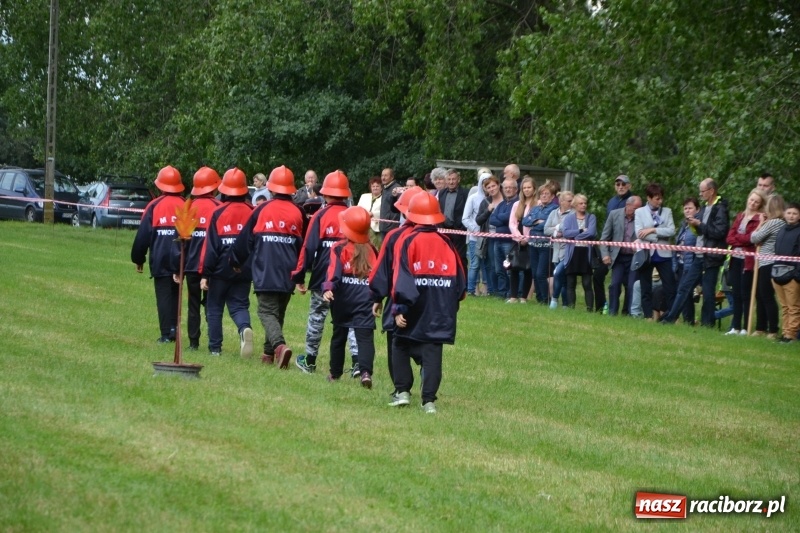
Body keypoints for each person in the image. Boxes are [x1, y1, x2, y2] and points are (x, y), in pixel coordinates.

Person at [389, 192, 466, 413]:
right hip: (441, 310)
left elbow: (401, 279)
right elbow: (460, 284)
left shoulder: (408, 240)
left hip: (413, 309)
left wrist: (399, 308)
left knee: (400, 343)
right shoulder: (447, 243)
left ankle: (402, 391)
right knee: (433, 352)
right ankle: (429, 401)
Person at [232, 165, 304, 368]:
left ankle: (280, 347)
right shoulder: (298, 212)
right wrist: (300, 275)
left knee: (266, 312)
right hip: (289, 271)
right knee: (277, 313)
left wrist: (236, 261)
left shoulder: (261, 209)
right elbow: (303, 246)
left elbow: (246, 239)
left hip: (266, 269)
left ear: (271, 188)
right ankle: (267, 355)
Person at [293, 170, 360, 374]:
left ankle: (310, 360)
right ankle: (358, 362)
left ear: (326, 194)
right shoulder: (354, 215)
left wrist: (299, 276)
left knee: (317, 317)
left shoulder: (320, 216)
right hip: (349, 278)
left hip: (323, 277)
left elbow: (309, 247)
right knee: (350, 319)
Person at [369, 186, 426, 396]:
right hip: (426, 300)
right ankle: (427, 372)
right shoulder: (434, 237)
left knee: (396, 341)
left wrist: (377, 296)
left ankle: (401, 388)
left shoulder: (394, 236)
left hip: (398, 297)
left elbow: (382, 269)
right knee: (422, 342)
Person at [199, 168, 254, 357]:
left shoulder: (218, 213)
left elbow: (211, 247)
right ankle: (244, 328)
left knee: (214, 307)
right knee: (239, 305)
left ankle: (215, 349)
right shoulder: (252, 212)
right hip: (245, 268)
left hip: (220, 269)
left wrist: (205, 274)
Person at [321, 206, 379, 386]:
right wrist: (378, 298)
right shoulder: (372, 249)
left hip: (342, 301)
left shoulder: (339, 248)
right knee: (365, 338)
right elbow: (377, 277)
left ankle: (335, 373)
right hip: (365, 301)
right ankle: (365, 373)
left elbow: (333, 272)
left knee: (339, 336)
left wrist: (328, 288)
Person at [661, 178, 730, 327]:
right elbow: (701, 232)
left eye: (702, 191)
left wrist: (700, 224)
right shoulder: (704, 208)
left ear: (711, 191)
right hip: (698, 256)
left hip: (712, 256)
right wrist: (694, 225)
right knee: (684, 287)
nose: (700, 194)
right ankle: (670, 318)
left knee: (708, 292)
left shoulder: (721, 208)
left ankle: (707, 324)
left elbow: (719, 232)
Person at [131, 165, 186, 343]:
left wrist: (139, 259)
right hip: (181, 259)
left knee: (163, 296)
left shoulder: (153, 206)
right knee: (176, 295)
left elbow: (142, 236)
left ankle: (165, 334)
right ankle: (174, 329)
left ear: (160, 185)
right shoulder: (186, 205)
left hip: (160, 258)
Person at [172, 167, 221, 350]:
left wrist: (178, 268)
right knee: (212, 305)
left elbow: (179, 242)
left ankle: (193, 343)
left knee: (193, 306)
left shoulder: (188, 207)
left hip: (191, 266)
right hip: (212, 267)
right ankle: (213, 343)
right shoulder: (218, 208)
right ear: (214, 187)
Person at [724, 188, 767, 335]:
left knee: (745, 294)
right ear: (748, 199)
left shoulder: (759, 219)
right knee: (735, 293)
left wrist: (740, 239)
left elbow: (753, 238)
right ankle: (735, 327)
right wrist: (742, 240)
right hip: (735, 258)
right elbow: (729, 237)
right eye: (751, 199)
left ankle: (745, 327)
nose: (753, 203)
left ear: (760, 204)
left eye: (757, 201)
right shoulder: (740, 216)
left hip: (748, 260)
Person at [634, 183, 676, 320]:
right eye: (657, 199)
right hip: (646, 254)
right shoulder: (639, 212)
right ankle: (648, 317)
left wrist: (652, 230)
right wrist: (659, 235)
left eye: (661, 198)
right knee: (645, 286)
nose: (660, 201)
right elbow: (639, 233)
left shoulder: (667, 211)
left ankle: (671, 317)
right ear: (649, 198)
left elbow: (671, 231)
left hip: (664, 255)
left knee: (669, 287)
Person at [599, 195, 642, 316]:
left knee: (631, 285)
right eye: (636, 208)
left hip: (634, 257)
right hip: (617, 257)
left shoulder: (640, 217)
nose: (638, 211)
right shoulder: (614, 214)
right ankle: (612, 312)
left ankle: (628, 312)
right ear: (628, 205)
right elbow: (604, 238)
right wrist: (605, 254)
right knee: (615, 284)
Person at [750, 194, 786, 338]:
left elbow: (754, 238)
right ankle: (761, 327)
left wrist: (760, 223)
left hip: (767, 262)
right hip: (766, 261)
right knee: (761, 295)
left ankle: (772, 329)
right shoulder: (782, 223)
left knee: (766, 296)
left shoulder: (773, 223)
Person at [523, 184, 557, 304]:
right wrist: (536, 221)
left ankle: (545, 299)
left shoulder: (554, 209)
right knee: (534, 273)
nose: (543, 196)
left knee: (541, 273)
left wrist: (536, 223)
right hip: (533, 244)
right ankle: (539, 299)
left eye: (546, 194)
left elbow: (548, 225)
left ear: (552, 196)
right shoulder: (535, 208)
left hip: (546, 245)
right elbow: (525, 221)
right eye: (542, 194)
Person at [771, 202, 800, 343]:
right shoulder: (781, 230)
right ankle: (785, 332)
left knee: (793, 307)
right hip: (777, 273)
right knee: (784, 307)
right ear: (784, 214)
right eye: (789, 213)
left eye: (795, 213)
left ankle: (791, 334)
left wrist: (796, 275)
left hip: (792, 275)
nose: (791, 216)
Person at [561, 194, 596, 310]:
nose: (584, 205)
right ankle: (571, 308)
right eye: (581, 203)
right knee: (571, 283)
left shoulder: (591, 217)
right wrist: (580, 231)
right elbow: (566, 233)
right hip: (572, 254)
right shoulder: (569, 218)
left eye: (585, 203)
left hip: (586, 253)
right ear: (575, 205)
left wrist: (575, 237)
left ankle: (590, 308)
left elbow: (591, 233)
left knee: (587, 283)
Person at [462, 171, 492, 296]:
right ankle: (471, 289)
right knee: (474, 264)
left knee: (487, 265)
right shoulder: (473, 198)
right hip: (475, 238)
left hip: (490, 237)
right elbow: (465, 218)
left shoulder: (494, 199)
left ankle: (487, 289)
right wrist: (476, 230)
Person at [671, 197, 700, 324]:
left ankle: (673, 318)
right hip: (680, 263)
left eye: (690, 208)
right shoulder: (683, 225)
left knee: (683, 291)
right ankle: (688, 321)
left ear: (697, 210)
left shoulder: (698, 226)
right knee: (685, 294)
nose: (687, 211)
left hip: (691, 264)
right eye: (685, 208)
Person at [508, 176, 536, 303]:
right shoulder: (516, 204)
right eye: (524, 188)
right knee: (514, 267)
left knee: (528, 269)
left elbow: (536, 224)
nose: (526, 190)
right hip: (517, 241)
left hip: (531, 242)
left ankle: (523, 297)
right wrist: (519, 237)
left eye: (529, 187)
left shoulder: (538, 204)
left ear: (534, 188)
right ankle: (513, 296)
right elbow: (512, 223)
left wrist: (527, 239)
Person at [489, 178, 518, 298]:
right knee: (499, 269)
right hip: (498, 240)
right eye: (505, 187)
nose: (508, 189)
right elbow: (492, 220)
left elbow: (508, 218)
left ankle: (512, 293)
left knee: (510, 269)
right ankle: (502, 292)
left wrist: (501, 217)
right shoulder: (501, 204)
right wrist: (503, 218)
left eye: (510, 187)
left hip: (509, 242)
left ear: (516, 189)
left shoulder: (517, 203)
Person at [544, 191, 574, 309]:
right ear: (561, 202)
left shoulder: (573, 214)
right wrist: (557, 232)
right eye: (569, 201)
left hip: (568, 251)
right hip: (556, 251)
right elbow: (546, 230)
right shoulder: (553, 213)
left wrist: (558, 229)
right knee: (562, 279)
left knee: (557, 273)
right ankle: (565, 304)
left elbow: (568, 229)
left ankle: (554, 299)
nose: (572, 203)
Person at [475, 176, 503, 296]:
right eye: (488, 187)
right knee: (493, 266)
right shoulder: (485, 202)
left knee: (506, 266)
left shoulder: (507, 200)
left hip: (505, 237)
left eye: (493, 186)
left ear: (498, 185)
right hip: (490, 238)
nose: (491, 189)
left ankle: (505, 291)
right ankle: (494, 291)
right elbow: (478, 220)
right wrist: (488, 211)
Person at [438, 169, 469, 268]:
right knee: (445, 257)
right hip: (444, 230)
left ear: (458, 179)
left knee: (460, 258)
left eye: (453, 179)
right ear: (446, 180)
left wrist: (462, 228)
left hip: (459, 231)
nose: (451, 182)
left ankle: (463, 280)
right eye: (449, 179)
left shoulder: (465, 193)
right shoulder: (442, 192)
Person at [356, 176, 383, 249]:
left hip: (377, 228)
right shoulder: (364, 196)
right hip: (364, 226)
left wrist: (373, 213)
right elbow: (358, 208)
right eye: (373, 186)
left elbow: (384, 212)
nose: (375, 188)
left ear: (381, 187)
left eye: (377, 186)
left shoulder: (384, 198)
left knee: (377, 248)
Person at [378, 167, 402, 239]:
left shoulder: (397, 189)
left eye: (386, 175)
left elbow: (399, 208)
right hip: (384, 227)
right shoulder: (385, 189)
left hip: (392, 228)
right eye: (382, 175)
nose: (383, 178)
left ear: (392, 177)